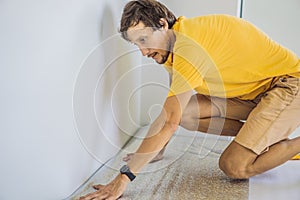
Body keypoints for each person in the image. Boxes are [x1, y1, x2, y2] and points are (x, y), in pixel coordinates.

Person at [80, 0, 300, 199]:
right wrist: (158, 148)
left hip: (290, 84)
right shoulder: (172, 47)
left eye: (144, 40)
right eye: (136, 44)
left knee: (234, 165)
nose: (143, 52)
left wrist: (122, 179)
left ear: (163, 24)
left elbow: (169, 121)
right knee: (187, 113)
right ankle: (262, 137)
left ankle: (282, 142)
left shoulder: (189, 46)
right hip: (253, 94)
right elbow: (173, 107)